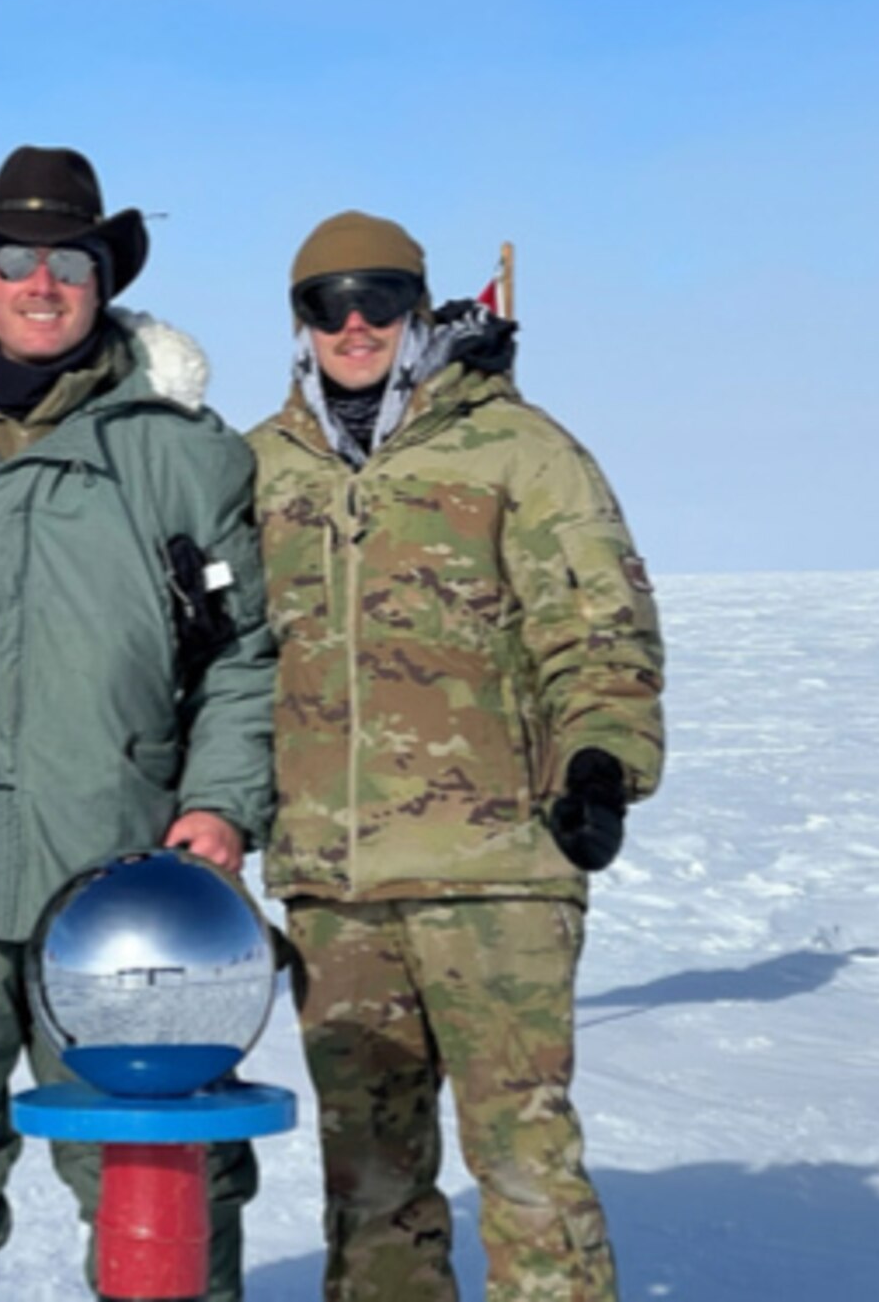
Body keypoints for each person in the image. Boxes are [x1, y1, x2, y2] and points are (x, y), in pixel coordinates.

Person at [0, 146, 277, 1300]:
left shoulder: (179, 451)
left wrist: (220, 807)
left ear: (103, 277)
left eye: (67, 261)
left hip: (123, 900)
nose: (40, 283)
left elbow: (239, 659)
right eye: (13, 257)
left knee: (165, 1202)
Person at [249, 211, 666, 1302]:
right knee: (368, 1180)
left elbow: (594, 622)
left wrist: (598, 761)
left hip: (495, 870)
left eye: (377, 299)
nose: (352, 323)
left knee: (524, 1164)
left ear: (416, 306)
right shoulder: (261, 468)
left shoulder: (515, 448)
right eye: (325, 303)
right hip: (332, 885)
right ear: (298, 321)